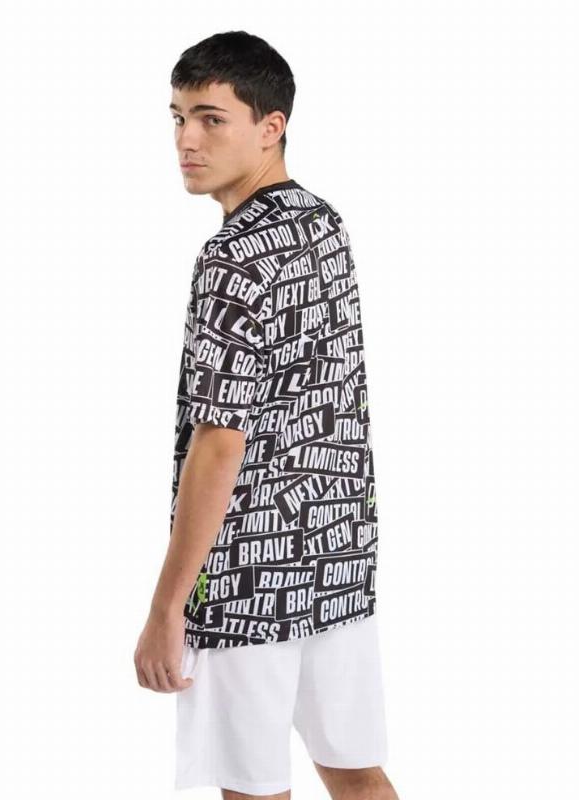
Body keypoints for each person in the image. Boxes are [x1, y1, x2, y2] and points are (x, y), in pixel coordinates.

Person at [134, 31, 400, 800]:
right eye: (178, 116)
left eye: (211, 118)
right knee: (356, 773)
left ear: (270, 126)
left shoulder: (230, 257)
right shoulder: (323, 222)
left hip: (249, 578)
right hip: (337, 562)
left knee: (250, 789)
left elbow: (221, 441)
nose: (186, 140)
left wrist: (168, 606)